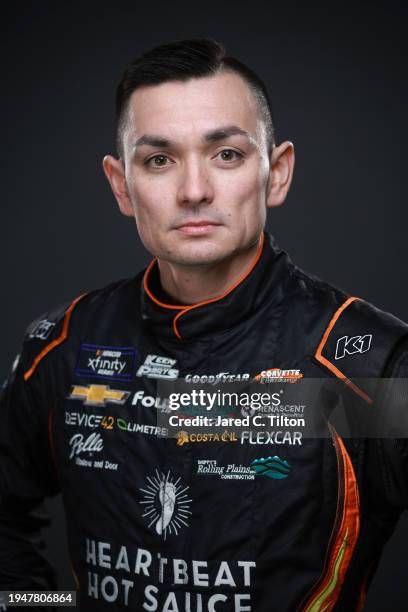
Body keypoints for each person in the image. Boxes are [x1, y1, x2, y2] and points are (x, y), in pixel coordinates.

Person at [0, 37, 407, 612]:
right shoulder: (67, 344)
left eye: (226, 155)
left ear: (278, 172)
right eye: (159, 160)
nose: (194, 191)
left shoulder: (369, 366)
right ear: (121, 185)